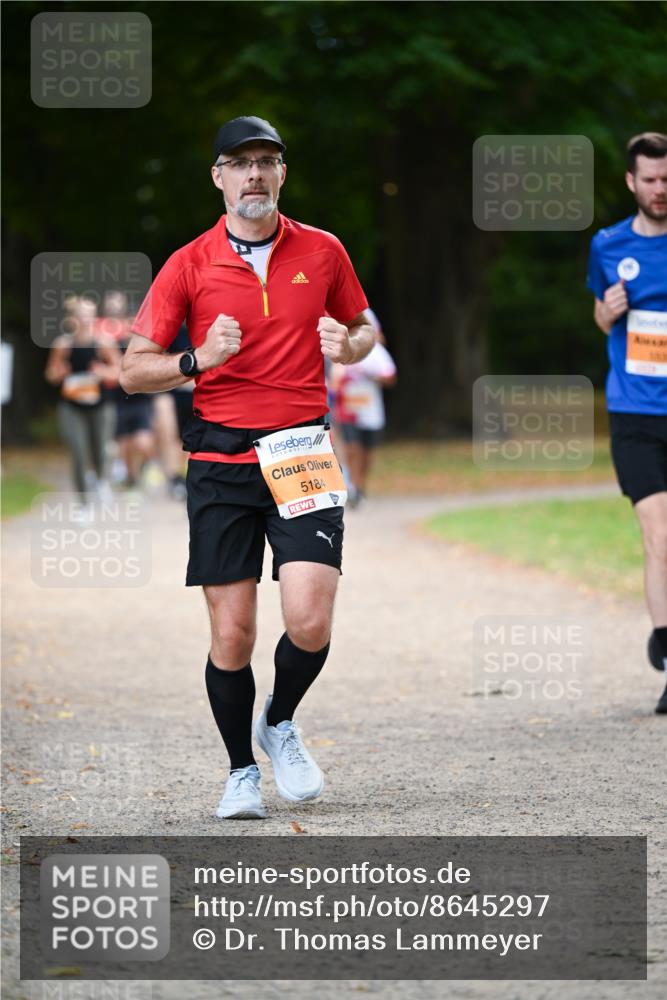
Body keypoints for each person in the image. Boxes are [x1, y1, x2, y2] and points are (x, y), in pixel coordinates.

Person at [120, 116, 374, 817]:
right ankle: (240, 771)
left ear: (282, 173)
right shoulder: (188, 263)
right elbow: (131, 370)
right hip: (219, 460)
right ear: (218, 177)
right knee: (233, 634)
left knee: (310, 620)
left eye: (266, 161)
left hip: (300, 452)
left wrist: (349, 346)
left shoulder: (322, 251)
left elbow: (364, 326)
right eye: (240, 163)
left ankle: (280, 719)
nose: (254, 174)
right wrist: (199, 358)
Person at [587, 132, 667, 714]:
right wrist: (607, 312)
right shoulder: (608, 244)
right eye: (651, 180)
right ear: (631, 183)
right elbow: (598, 312)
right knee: (658, 532)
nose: (660, 190)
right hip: (635, 411)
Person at [45, 295, 120, 502]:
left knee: (100, 449)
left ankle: (101, 480)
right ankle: (83, 503)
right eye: (80, 315)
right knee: (78, 451)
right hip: (72, 406)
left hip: (100, 405)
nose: (85, 320)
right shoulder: (63, 344)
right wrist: (58, 373)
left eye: (89, 315)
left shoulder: (103, 343)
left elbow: (119, 371)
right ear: (72, 319)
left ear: (94, 317)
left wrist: (102, 372)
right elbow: (50, 375)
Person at [330, 309, 397, 507]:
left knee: (367, 451)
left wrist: (371, 375)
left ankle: (360, 487)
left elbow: (390, 376)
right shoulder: (341, 351)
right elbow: (333, 380)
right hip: (348, 409)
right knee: (352, 448)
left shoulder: (375, 352)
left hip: (370, 409)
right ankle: (354, 489)